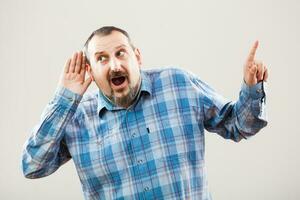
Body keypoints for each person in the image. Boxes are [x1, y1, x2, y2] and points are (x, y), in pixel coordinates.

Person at [21, 26, 268, 200]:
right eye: (102, 59)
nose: (115, 65)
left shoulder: (178, 84)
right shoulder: (76, 118)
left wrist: (251, 87)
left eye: (120, 53)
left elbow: (239, 125)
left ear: (137, 56)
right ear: (91, 71)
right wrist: (65, 99)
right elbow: (33, 166)